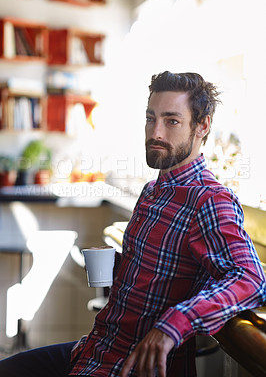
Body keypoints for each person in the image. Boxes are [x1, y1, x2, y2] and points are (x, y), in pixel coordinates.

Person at [0, 71, 265, 377]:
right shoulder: (153, 190)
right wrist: (122, 266)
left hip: (129, 365)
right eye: (151, 118)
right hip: (95, 347)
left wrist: (173, 324)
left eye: (172, 121)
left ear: (202, 126)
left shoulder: (210, 199)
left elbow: (251, 279)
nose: (157, 133)